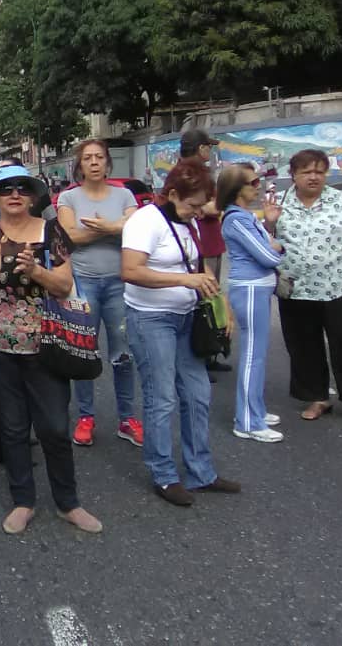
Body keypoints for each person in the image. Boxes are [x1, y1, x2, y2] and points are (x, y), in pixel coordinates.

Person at [0, 165, 102, 535]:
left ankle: (68, 503)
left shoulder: (51, 231)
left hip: (47, 345)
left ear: (34, 195)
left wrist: (36, 271)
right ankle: (23, 500)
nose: (15, 194)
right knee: (12, 426)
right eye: (6, 188)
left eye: (23, 188)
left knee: (55, 426)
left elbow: (64, 285)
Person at [121, 160, 240, 507]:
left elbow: (199, 265)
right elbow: (130, 271)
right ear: (172, 194)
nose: (197, 211)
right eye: (192, 204)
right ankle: (164, 475)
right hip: (151, 319)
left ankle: (202, 472)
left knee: (197, 394)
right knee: (161, 397)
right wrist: (185, 281)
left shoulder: (189, 223)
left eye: (201, 204)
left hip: (187, 316)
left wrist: (222, 304)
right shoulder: (145, 221)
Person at [263, 149, 342, 428]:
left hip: (338, 287)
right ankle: (317, 397)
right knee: (304, 345)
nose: (313, 177)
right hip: (296, 290)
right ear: (293, 174)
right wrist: (269, 224)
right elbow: (263, 247)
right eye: (307, 171)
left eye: (319, 171)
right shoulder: (279, 205)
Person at [56, 139, 142, 448]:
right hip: (83, 282)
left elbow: (136, 229)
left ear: (108, 163)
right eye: (88, 158)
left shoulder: (125, 194)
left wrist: (103, 228)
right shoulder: (69, 197)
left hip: (119, 283)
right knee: (84, 352)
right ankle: (86, 416)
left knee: (123, 353)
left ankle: (127, 418)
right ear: (80, 165)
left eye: (100, 157)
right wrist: (113, 227)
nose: (94, 162)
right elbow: (70, 236)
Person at [216, 165, 285, 443]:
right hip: (250, 288)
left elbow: (269, 246)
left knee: (258, 354)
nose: (258, 186)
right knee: (252, 356)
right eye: (252, 182)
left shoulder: (245, 217)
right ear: (237, 189)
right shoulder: (236, 219)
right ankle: (246, 420)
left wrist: (273, 243)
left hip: (258, 288)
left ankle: (255, 409)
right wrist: (278, 249)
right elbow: (267, 255)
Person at [179, 129, 231, 375]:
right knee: (201, 302)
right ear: (200, 148)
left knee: (212, 301)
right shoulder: (186, 174)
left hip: (210, 241)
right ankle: (200, 355)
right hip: (198, 245)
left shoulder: (200, 172)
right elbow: (206, 207)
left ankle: (210, 352)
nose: (209, 152)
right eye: (207, 147)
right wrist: (217, 206)